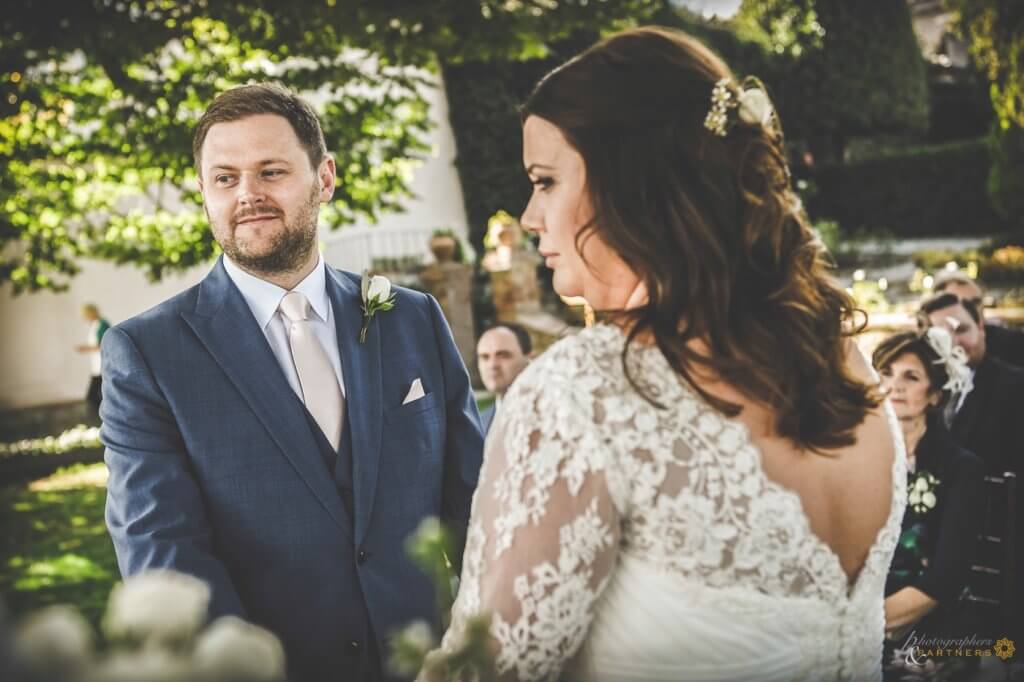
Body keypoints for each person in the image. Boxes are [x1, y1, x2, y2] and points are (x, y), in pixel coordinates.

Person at [425, 27, 904, 681]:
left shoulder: (584, 391)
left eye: (545, 181)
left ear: (635, 185)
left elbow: (485, 671)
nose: (530, 216)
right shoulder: (842, 359)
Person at [100, 83, 484, 681]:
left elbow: (476, 504)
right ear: (203, 191)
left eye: (271, 171)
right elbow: (162, 554)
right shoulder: (146, 353)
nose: (247, 195)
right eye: (224, 178)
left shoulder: (411, 318)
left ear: (325, 178)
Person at [871, 330, 983, 644]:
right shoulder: (860, 459)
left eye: (911, 377)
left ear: (935, 395)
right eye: (886, 374)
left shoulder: (961, 468)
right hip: (861, 607)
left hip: (928, 624)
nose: (895, 386)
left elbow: (948, 574)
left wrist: (865, 627)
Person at [918, 292, 1024, 477]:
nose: (954, 342)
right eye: (942, 336)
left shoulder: (1016, 386)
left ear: (981, 328)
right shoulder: (919, 389)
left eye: (961, 330)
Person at [933, 270, 1024, 368]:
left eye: (976, 302)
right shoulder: (928, 348)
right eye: (959, 303)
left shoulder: (1015, 342)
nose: (971, 309)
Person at [475, 323, 532, 434]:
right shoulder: (478, 422)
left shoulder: (555, 416)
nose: (492, 365)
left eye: (503, 355)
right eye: (485, 357)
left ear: (529, 359)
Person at [75, 303, 110, 415]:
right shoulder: (94, 325)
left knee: (93, 396)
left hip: (102, 364)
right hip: (96, 365)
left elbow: (104, 344)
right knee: (97, 395)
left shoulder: (102, 324)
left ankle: (100, 418)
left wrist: (86, 349)